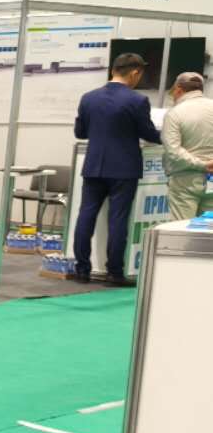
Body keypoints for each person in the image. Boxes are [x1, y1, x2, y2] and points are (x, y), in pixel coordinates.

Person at [72, 52, 162, 287]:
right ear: (135, 73)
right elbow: (148, 133)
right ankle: (114, 273)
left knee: (86, 215)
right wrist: (168, 137)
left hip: (93, 166)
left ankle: (82, 269)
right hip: (124, 168)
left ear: (113, 70)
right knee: (118, 219)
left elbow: (80, 133)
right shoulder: (137, 101)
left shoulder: (88, 98)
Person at [162, 71, 213, 221]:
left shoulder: (175, 113)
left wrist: (202, 164)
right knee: (209, 229)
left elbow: (173, 151)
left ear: (178, 89)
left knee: (182, 228)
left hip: (184, 181)